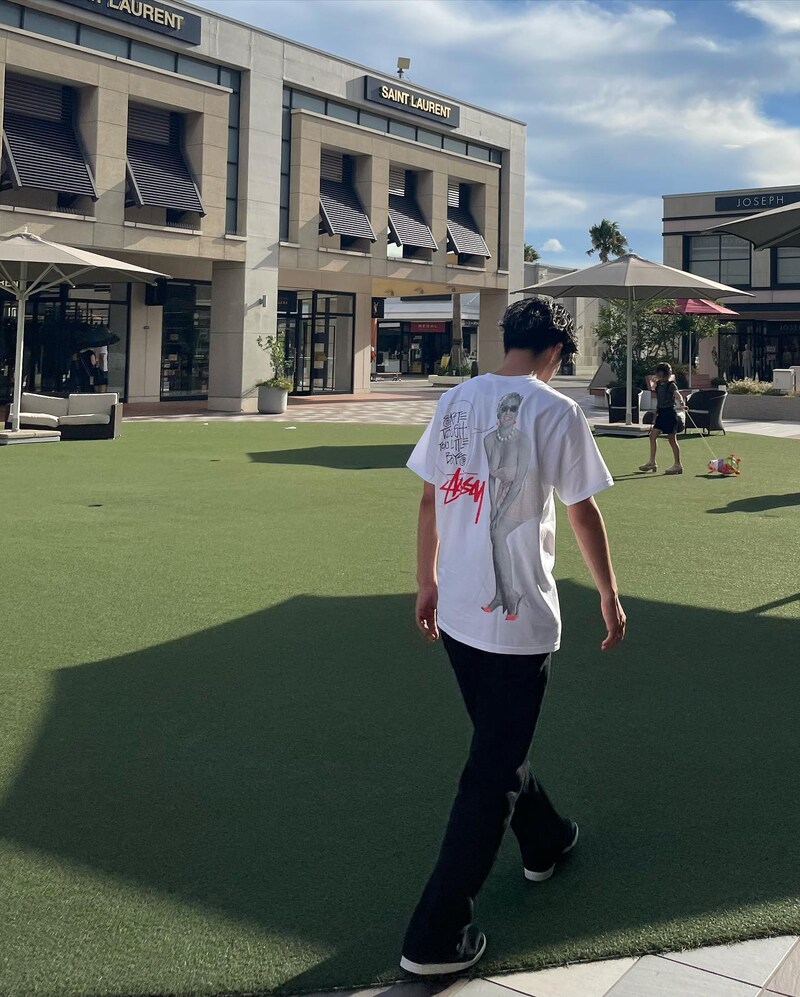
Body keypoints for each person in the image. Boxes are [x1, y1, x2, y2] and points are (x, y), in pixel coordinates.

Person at [401, 297, 626, 976]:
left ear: (508, 339)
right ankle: (435, 935)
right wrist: (609, 593)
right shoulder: (556, 410)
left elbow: (430, 496)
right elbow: (581, 511)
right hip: (516, 619)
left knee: (499, 743)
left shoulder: (455, 399)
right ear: (556, 349)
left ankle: (546, 839)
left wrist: (425, 580)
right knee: (492, 769)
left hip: (458, 611)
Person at [638, 362, 686, 475]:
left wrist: (681, 402)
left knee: (672, 439)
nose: (659, 376)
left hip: (669, 414)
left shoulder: (671, 385)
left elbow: (677, 394)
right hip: (661, 413)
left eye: (661, 374)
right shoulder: (659, 384)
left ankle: (678, 465)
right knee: (652, 436)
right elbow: (657, 393)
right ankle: (652, 462)